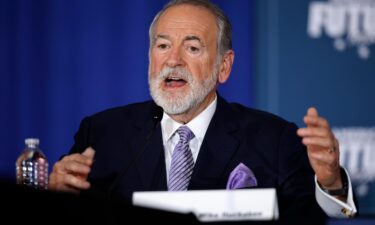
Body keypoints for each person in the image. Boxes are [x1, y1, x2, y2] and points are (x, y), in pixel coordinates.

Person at [49, 0, 357, 223]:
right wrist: (58, 196)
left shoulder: (274, 140)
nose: (173, 61)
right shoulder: (102, 135)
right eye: (163, 46)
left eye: (192, 48)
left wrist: (330, 183)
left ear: (224, 66)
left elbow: (308, 219)